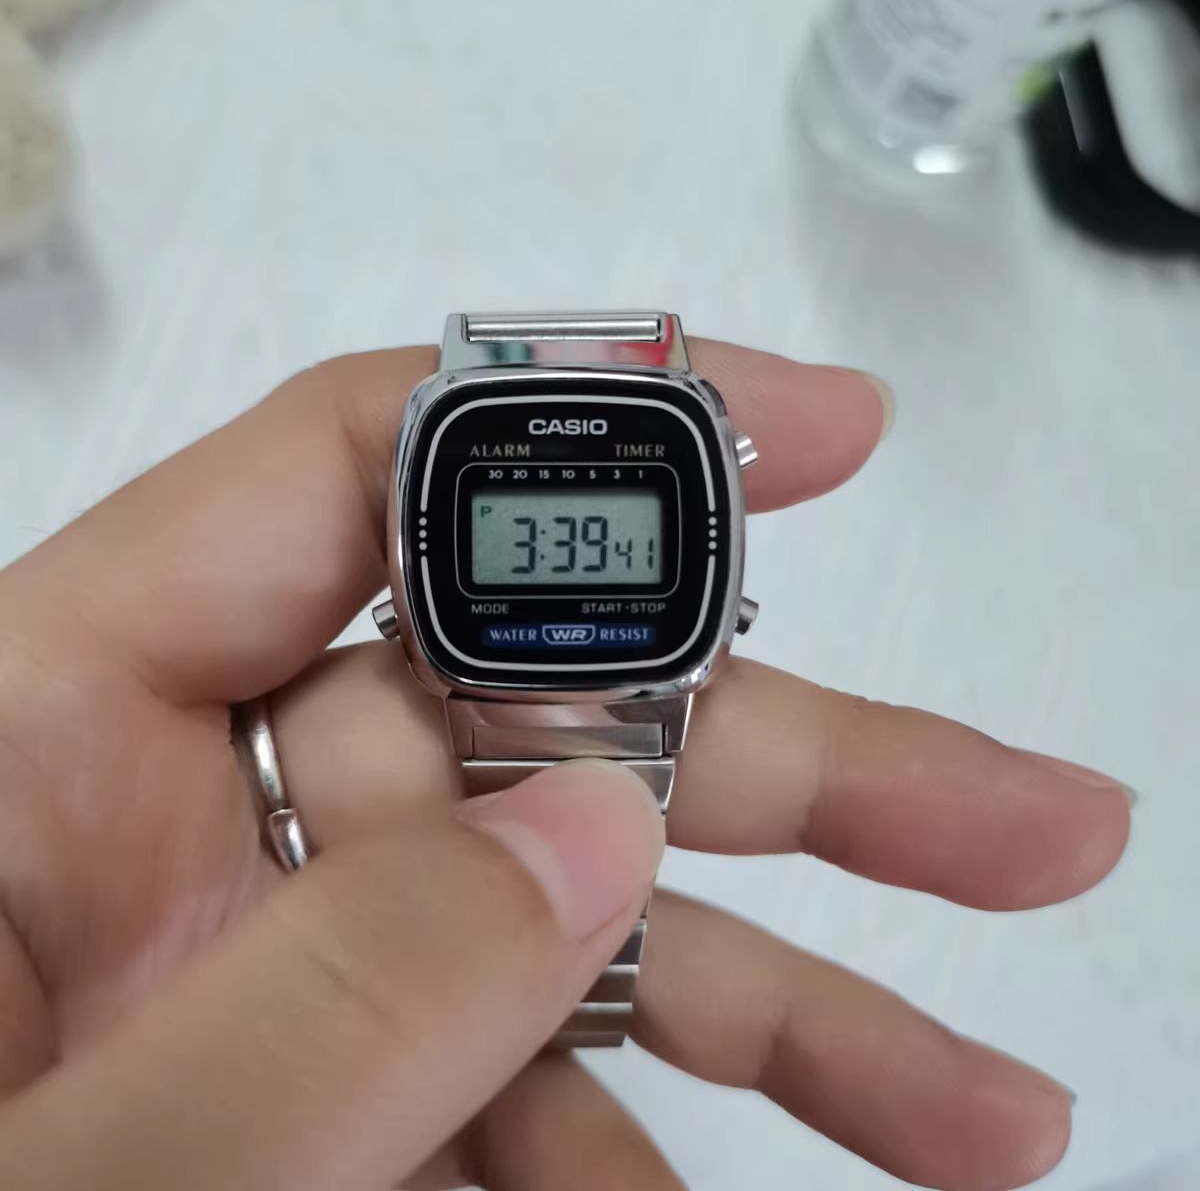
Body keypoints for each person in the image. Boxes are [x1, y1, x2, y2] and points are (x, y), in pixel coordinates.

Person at [0, 339, 1131, 1189]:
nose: (569, 555)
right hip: (502, 686)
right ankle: (560, 995)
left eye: (602, 540)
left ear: (719, 592)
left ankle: (561, 999)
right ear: (408, 600)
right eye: (534, 539)